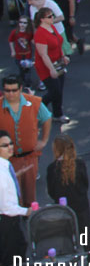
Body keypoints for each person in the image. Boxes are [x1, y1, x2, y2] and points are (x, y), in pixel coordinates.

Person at [0, 74, 51, 207]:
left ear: (21, 88)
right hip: (8, 161)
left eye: (14, 90)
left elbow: (47, 118)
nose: (10, 94)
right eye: (7, 90)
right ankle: (14, 221)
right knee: (11, 194)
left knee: (30, 192)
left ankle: (29, 218)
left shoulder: (33, 102)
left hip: (30, 157)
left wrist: (44, 140)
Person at [45, 135, 90, 237]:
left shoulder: (52, 168)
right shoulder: (80, 164)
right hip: (81, 205)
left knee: (66, 235)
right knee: (86, 233)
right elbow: (85, 184)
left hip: (63, 207)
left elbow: (51, 191)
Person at [0, 129, 29, 266]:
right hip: (7, 221)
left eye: (10, 143)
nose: (10, 147)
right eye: (5, 145)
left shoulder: (5, 166)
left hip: (11, 220)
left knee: (19, 251)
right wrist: (27, 211)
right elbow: (6, 207)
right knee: (12, 261)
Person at [33, 7, 69, 123]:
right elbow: (43, 55)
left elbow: (58, 42)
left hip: (58, 63)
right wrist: (51, 69)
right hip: (46, 66)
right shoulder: (40, 33)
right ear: (42, 19)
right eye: (50, 16)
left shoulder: (51, 27)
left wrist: (63, 56)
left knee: (59, 90)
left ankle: (57, 114)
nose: (52, 17)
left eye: (52, 15)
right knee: (55, 91)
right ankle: (37, 108)